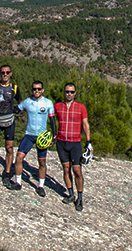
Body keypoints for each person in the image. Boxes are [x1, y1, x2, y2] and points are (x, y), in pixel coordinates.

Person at [8, 80, 55, 196]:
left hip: (42, 137)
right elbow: (16, 110)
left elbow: (53, 121)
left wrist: (54, 137)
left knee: (42, 162)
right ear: (32, 90)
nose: (37, 91)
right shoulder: (27, 102)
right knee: (19, 158)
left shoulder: (48, 103)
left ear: (42, 90)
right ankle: (18, 182)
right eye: (34, 89)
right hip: (29, 135)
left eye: (39, 89)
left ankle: (40, 186)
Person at [54, 82, 92, 211]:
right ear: (64, 93)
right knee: (65, 169)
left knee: (77, 171)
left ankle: (80, 197)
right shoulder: (57, 106)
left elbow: (85, 124)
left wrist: (88, 141)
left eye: (71, 92)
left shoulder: (81, 107)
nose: (69, 94)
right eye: (67, 92)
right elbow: (50, 120)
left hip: (75, 142)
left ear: (75, 93)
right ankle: (71, 194)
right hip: (61, 141)